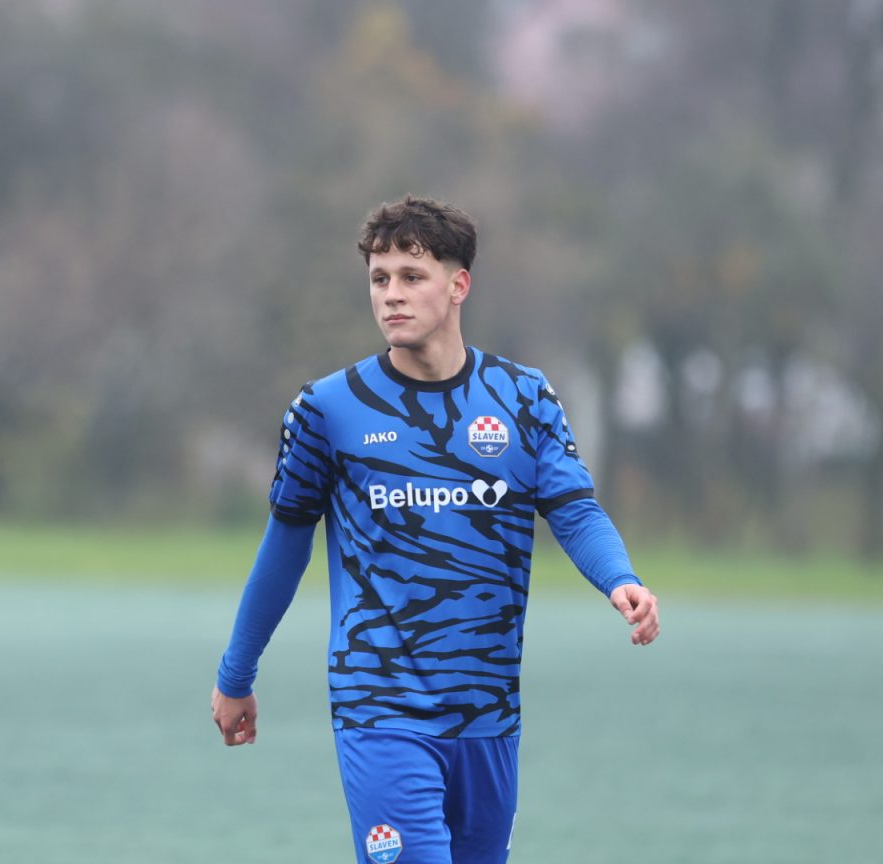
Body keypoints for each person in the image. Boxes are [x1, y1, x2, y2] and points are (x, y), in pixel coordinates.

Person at [211, 195, 659, 864]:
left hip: (488, 714)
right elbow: (284, 547)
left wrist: (620, 578)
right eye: (379, 278)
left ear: (459, 285)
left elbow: (574, 510)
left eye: (411, 276)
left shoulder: (523, 398)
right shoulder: (327, 409)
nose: (391, 294)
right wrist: (236, 673)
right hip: (379, 705)